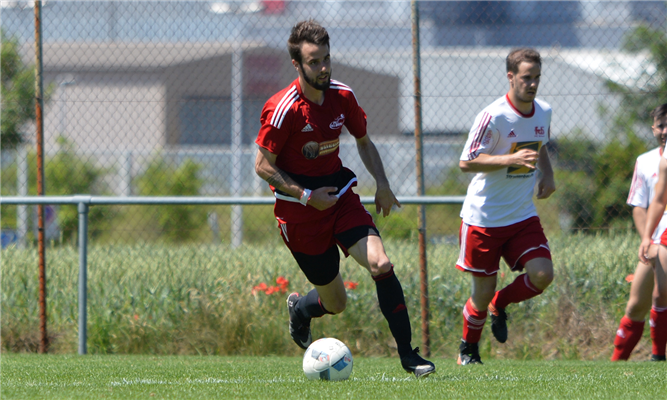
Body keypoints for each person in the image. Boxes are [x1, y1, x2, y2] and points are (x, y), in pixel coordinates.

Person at [253, 20, 435, 378]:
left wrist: (382, 183)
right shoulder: (283, 108)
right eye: (314, 61)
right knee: (336, 303)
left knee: (381, 265)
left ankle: (409, 356)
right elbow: (262, 166)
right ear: (297, 64)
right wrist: (306, 196)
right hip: (301, 216)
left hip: (339, 198)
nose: (323, 68)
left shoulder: (343, 96)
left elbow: (364, 141)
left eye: (326, 59)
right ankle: (302, 309)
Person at [455, 48, 556, 365]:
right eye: (527, 78)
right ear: (511, 76)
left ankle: (502, 303)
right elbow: (466, 162)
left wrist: (548, 174)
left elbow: (540, 145)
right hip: (484, 217)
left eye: (538, 78)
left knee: (543, 275)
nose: (533, 84)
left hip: (522, 215)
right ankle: (468, 350)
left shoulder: (544, 111)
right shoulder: (493, 115)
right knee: (480, 295)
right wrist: (510, 159)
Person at [632, 104, 667, 362]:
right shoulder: (650, 161)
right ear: (653, 128)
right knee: (655, 295)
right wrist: (648, 238)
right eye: (661, 125)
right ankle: (656, 357)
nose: (665, 131)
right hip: (659, 237)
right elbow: (651, 203)